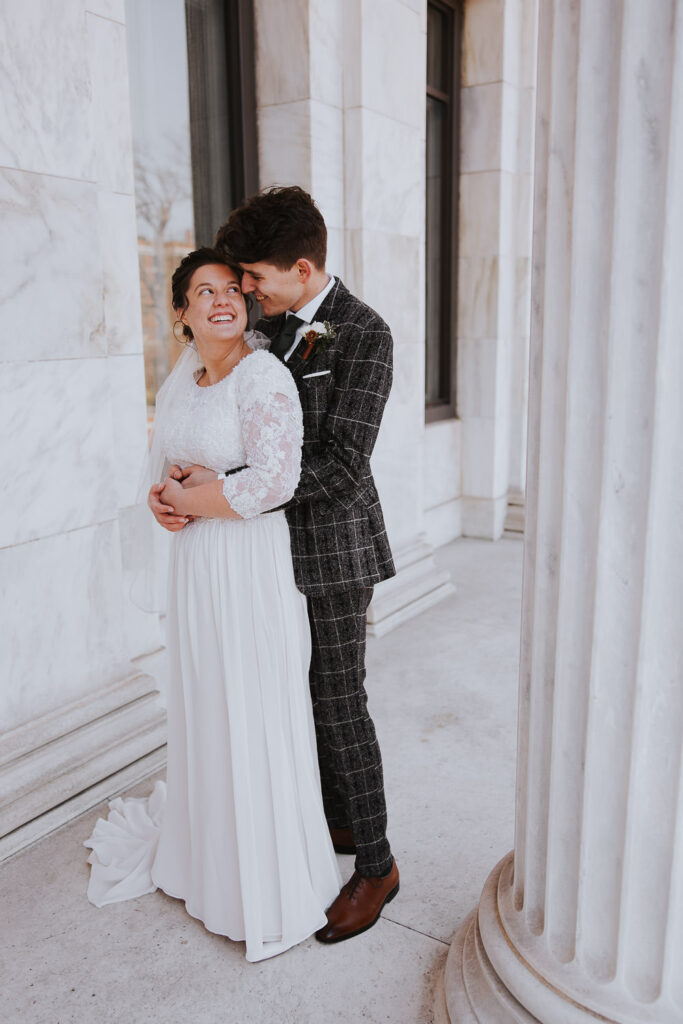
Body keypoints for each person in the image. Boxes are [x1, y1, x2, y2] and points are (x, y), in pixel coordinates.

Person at [149, 187, 399, 944]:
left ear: (301, 268)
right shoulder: (273, 328)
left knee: (337, 701)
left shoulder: (363, 332)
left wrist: (225, 494)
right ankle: (330, 825)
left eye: (254, 277)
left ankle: (377, 866)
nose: (246, 290)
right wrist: (195, 490)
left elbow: (344, 463)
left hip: (332, 550)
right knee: (287, 699)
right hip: (259, 555)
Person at [84, 248, 341, 962]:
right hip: (197, 565)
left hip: (249, 564)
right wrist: (164, 500)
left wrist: (190, 497)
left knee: (252, 702)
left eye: (232, 288)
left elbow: (274, 483)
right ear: (182, 313)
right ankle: (207, 865)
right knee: (205, 700)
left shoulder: (264, 375)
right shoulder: (184, 383)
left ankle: (264, 886)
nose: (223, 299)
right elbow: (170, 468)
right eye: (205, 291)